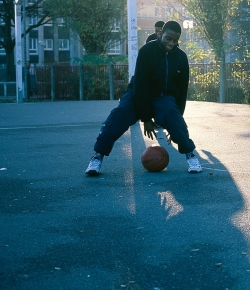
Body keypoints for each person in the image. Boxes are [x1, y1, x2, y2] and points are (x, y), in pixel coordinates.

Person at [85, 20, 202, 175]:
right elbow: (141, 85)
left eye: (175, 40)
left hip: (163, 96)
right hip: (137, 93)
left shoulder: (181, 58)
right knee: (120, 114)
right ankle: (97, 158)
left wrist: (176, 122)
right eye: (168, 38)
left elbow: (181, 92)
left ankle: (190, 156)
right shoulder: (147, 51)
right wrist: (146, 118)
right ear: (161, 34)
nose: (172, 43)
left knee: (173, 117)